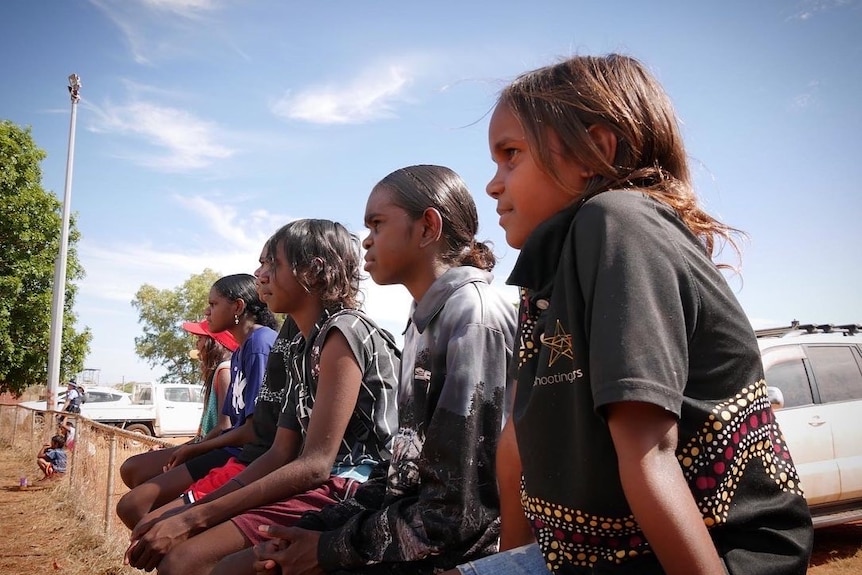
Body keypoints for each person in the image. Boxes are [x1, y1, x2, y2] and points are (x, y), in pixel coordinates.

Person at [443, 54, 814, 575]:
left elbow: (650, 455)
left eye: (511, 155)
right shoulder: (548, 274)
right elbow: (514, 452)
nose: (493, 184)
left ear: (596, 149)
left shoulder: (620, 222)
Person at [243, 165, 518, 575]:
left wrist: (330, 548)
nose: (367, 240)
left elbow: (459, 516)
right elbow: (405, 474)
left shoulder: (472, 315)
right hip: (413, 528)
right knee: (266, 552)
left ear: (427, 227)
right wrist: (315, 529)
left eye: (377, 223)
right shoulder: (424, 318)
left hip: (457, 555)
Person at [125, 219, 402, 575]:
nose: (260, 274)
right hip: (314, 480)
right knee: (176, 542)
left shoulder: (343, 332)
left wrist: (194, 518)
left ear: (313, 271)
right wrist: (190, 512)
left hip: (355, 486)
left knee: (184, 561)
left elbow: (317, 465)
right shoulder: (297, 346)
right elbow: (279, 452)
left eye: (273, 264)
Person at [116, 273, 279, 528]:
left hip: (243, 456)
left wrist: (195, 448)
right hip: (229, 449)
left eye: (213, 304)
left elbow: (253, 428)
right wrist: (193, 446)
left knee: (133, 507)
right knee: (134, 481)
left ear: (237, 307)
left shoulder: (260, 343)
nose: (206, 311)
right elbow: (230, 425)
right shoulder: (239, 352)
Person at [182, 318, 238, 438]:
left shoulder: (225, 371)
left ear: (214, 343)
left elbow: (224, 427)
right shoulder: (218, 372)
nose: (197, 344)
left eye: (200, 338)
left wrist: (192, 449)